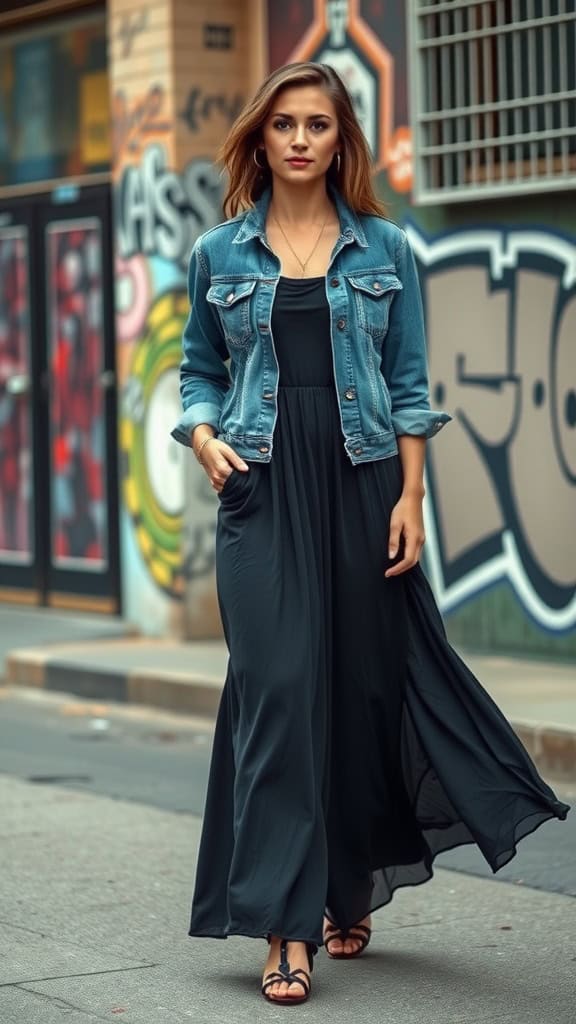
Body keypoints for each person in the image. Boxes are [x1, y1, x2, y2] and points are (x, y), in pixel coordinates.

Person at [170, 62, 569, 1007]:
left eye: (319, 124)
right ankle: (285, 925)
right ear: (260, 140)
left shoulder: (386, 248)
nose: (301, 138)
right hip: (262, 489)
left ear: (340, 139)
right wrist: (201, 437)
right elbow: (196, 370)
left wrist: (412, 498)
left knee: (356, 689)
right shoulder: (219, 253)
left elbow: (409, 386)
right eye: (284, 125)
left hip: (362, 484)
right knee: (279, 692)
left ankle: (348, 886)